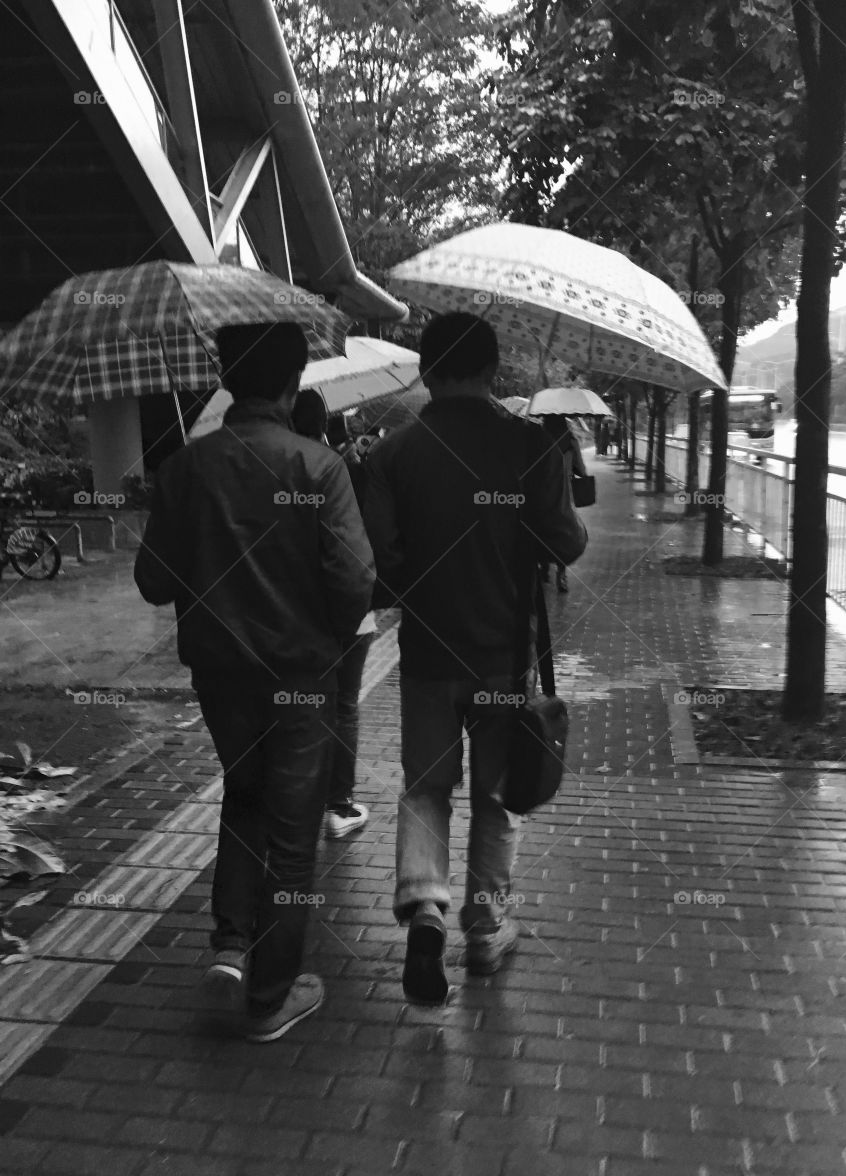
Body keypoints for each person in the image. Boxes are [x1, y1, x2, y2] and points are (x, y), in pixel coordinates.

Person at [134, 322, 375, 1042]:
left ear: (228, 379)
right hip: (300, 676)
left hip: (219, 675)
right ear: (292, 384)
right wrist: (326, 638)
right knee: (293, 832)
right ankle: (271, 997)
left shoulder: (186, 468)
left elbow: (153, 581)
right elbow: (354, 581)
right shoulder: (318, 467)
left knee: (243, 799)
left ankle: (231, 945)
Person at [364, 312, 587, 1005]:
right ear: (492, 371)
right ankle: (486, 929)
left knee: (426, 789)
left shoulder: (392, 455)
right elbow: (568, 543)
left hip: (427, 654)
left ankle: (424, 907)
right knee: (495, 795)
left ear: (426, 371)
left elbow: (381, 564)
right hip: (504, 658)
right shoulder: (530, 445)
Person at [291, 391, 376, 840]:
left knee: (302, 704)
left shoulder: (276, 468)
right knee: (343, 706)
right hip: (348, 612)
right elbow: (359, 544)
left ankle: (300, 802)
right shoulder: (341, 467)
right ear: (324, 423)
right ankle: (339, 806)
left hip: (296, 614)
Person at [539, 414, 587, 593]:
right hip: (565, 493)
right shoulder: (571, 441)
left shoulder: (538, 440)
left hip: (541, 491)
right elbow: (581, 469)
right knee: (563, 528)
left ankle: (544, 566)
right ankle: (561, 574)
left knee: (542, 526)